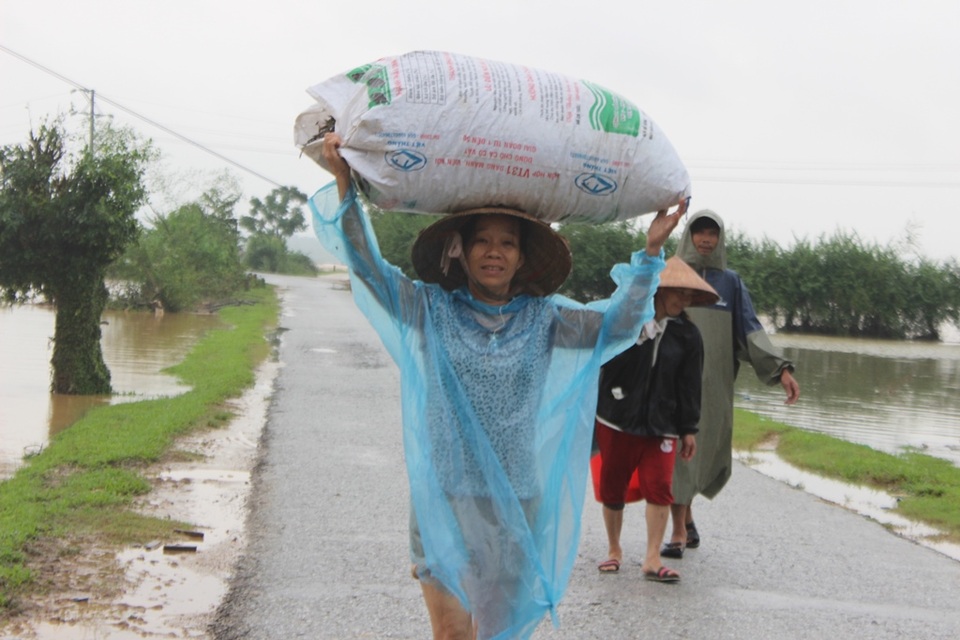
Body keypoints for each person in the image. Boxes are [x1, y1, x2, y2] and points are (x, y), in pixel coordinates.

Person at [314, 132, 685, 640]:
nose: (494, 252)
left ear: (521, 257)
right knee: (452, 634)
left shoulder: (547, 320)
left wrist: (651, 253)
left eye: (507, 242)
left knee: (498, 632)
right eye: (482, 240)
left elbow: (618, 326)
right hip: (445, 497)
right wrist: (344, 187)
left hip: (516, 500)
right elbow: (369, 270)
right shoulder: (430, 310)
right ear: (460, 251)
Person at [663, 210, 800, 559]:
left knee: (699, 450)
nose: (706, 240)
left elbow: (750, 331)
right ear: (689, 236)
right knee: (677, 450)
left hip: (712, 386)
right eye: (700, 233)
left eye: (713, 234)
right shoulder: (671, 274)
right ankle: (678, 531)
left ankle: (686, 518)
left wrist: (781, 369)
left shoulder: (730, 283)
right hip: (671, 381)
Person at [592, 257, 718, 582]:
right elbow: (604, 364)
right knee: (613, 485)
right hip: (617, 417)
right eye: (679, 293)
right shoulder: (627, 323)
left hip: (663, 424)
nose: (684, 300)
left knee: (660, 487)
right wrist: (637, 339)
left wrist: (689, 428)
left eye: (689, 296)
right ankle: (614, 550)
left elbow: (690, 385)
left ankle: (651, 558)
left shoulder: (689, 336)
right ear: (659, 289)